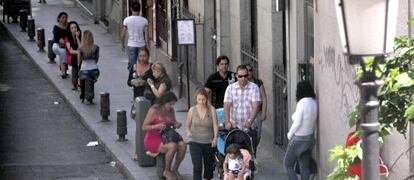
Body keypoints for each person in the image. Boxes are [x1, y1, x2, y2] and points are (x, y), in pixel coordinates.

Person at [142, 92, 186, 180]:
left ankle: (175, 169)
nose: (172, 106)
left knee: (183, 145)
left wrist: (176, 124)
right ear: (164, 102)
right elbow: (144, 127)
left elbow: (172, 124)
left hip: (166, 136)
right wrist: (156, 126)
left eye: (173, 104)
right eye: (170, 104)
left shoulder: (171, 110)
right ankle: (167, 170)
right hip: (153, 138)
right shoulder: (154, 110)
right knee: (172, 146)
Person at [284, 81, 317, 180]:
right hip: (310, 138)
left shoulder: (301, 103)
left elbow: (297, 122)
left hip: (298, 139)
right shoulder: (314, 102)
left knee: (288, 165)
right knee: (305, 168)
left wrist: (289, 135)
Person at [185, 88, 219, 180]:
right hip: (195, 141)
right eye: (199, 99)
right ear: (196, 99)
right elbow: (187, 125)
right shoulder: (192, 110)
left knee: (208, 166)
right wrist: (188, 132)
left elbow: (215, 125)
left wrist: (215, 138)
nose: (201, 101)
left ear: (207, 98)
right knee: (197, 166)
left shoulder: (211, 109)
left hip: (208, 141)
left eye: (203, 99)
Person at [223, 64, 261, 131]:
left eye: (245, 76)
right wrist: (227, 122)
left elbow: (255, 106)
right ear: (236, 76)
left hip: (250, 128)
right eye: (240, 76)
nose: (243, 78)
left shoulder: (254, 87)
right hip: (234, 127)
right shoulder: (230, 88)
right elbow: (226, 106)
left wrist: (250, 121)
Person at [120, 2, 149, 72]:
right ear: (140, 9)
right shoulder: (144, 20)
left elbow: (123, 34)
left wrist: (122, 44)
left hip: (131, 44)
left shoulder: (127, 20)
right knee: (142, 62)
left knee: (132, 64)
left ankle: (132, 77)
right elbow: (146, 34)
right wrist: (147, 45)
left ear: (131, 9)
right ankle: (141, 76)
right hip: (141, 44)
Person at [245, 64, 267, 155]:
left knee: (257, 136)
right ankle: (250, 154)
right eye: (247, 71)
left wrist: (264, 113)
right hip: (247, 113)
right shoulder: (243, 83)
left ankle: (254, 150)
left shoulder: (258, 82)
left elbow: (264, 98)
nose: (249, 72)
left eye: (250, 70)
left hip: (257, 113)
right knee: (247, 134)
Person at [77, 30, 100, 104]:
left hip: (84, 69)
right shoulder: (96, 47)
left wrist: (79, 66)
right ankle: (90, 97)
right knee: (91, 81)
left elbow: (79, 60)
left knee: (82, 79)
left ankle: (82, 95)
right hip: (94, 70)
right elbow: (97, 59)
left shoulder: (81, 48)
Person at [65, 21, 81, 90]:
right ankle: (75, 83)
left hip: (79, 55)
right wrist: (79, 53)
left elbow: (81, 47)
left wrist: (77, 38)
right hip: (71, 56)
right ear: (69, 30)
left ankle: (81, 81)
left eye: (75, 27)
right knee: (75, 62)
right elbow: (70, 51)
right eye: (72, 28)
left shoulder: (79, 36)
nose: (74, 29)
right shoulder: (67, 38)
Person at [52, 12, 69, 78]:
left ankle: (64, 68)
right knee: (63, 52)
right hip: (57, 45)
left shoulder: (68, 26)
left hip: (67, 45)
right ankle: (63, 72)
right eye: (63, 17)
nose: (64, 19)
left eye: (66, 17)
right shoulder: (56, 27)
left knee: (65, 52)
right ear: (59, 19)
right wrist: (67, 43)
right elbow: (58, 39)